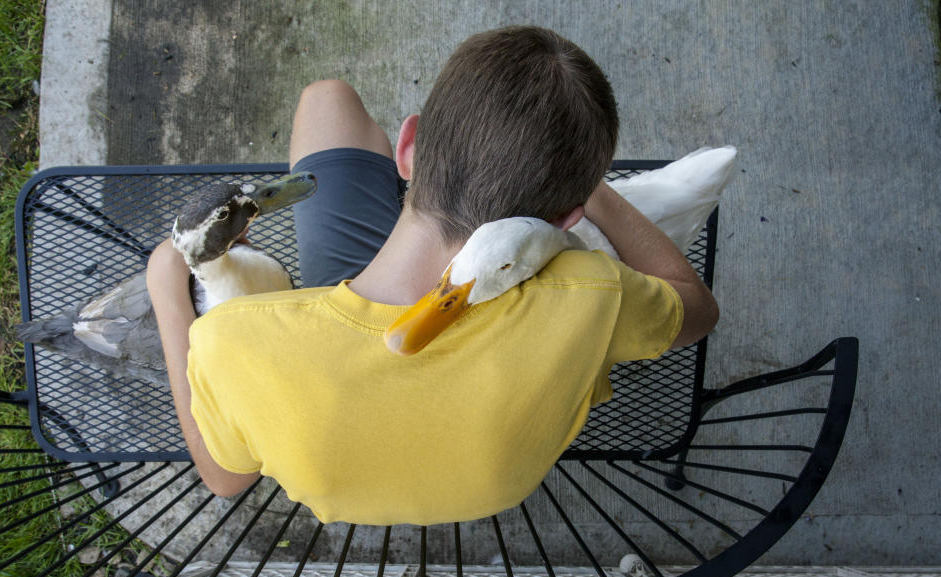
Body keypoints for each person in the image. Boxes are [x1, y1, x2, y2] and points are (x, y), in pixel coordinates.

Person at [147, 26, 718, 526]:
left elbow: (225, 479)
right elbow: (699, 310)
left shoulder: (235, 345)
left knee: (328, 100)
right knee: (330, 104)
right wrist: (588, 190)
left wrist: (168, 297)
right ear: (567, 218)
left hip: (314, 353)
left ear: (409, 146)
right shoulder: (592, 292)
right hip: (494, 486)